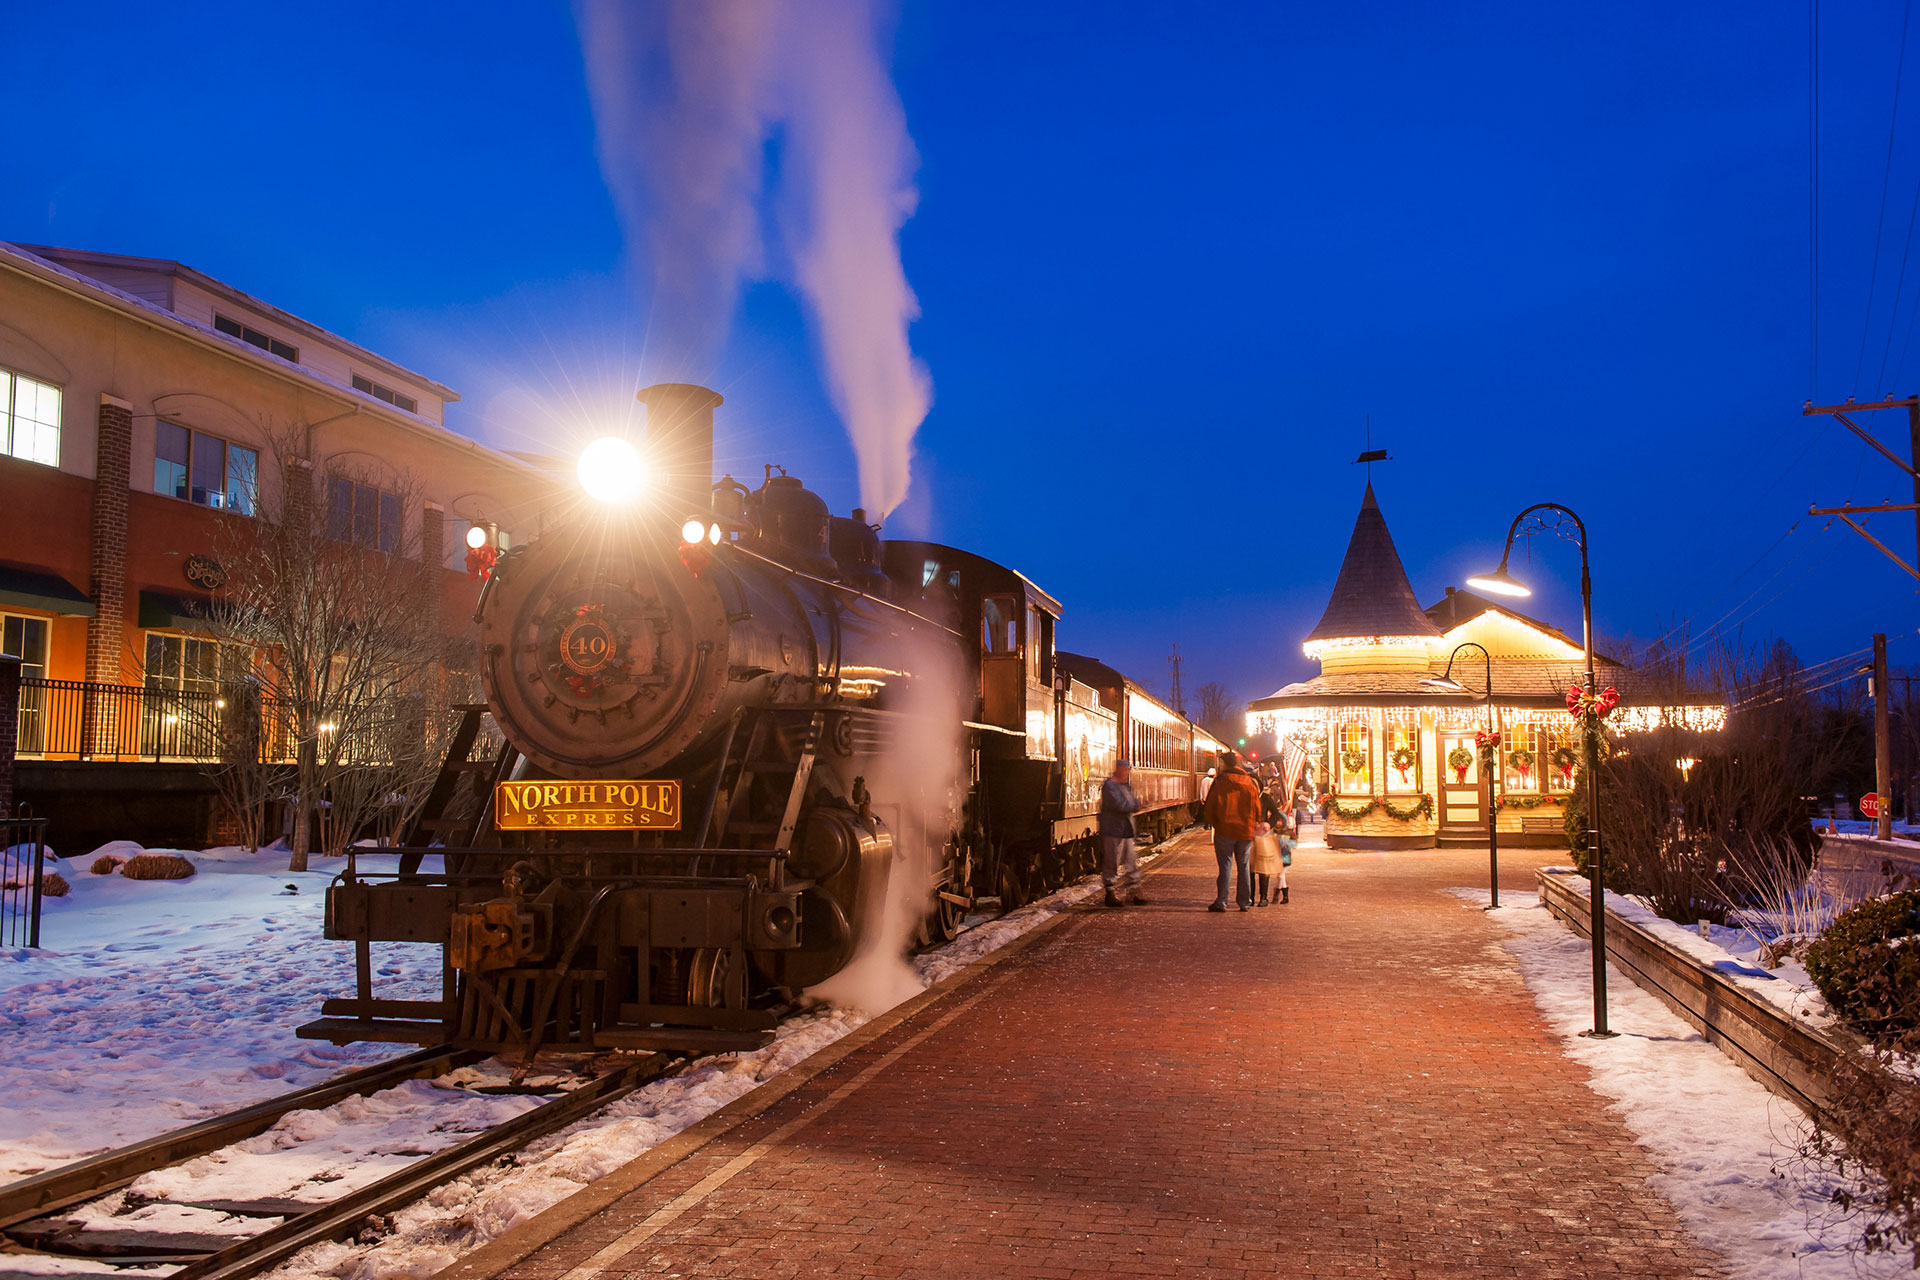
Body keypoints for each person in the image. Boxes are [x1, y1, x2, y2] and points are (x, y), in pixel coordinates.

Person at [1201, 749, 1262, 912]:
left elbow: (1210, 806)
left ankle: (1222, 901)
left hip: (1225, 830)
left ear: (1224, 764)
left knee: (1225, 866)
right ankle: (1244, 902)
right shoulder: (1249, 782)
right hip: (1245, 832)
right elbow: (1257, 807)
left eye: (1221, 763)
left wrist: (1216, 824)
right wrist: (1255, 823)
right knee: (1244, 867)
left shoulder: (1221, 781)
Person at [1098, 759, 1145, 908]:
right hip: (1113, 829)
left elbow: (1131, 803)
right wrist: (1134, 805)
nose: (1127, 773)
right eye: (1125, 770)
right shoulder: (1110, 786)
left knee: (1131, 860)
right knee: (1112, 861)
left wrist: (1134, 805)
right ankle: (1110, 892)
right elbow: (1119, 804)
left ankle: (1133, 891)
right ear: (1119, 769)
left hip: (1125, 829)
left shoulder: (1124, 785)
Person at [1254, 784, 1291, 905]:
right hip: (1248, 835)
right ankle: (1249, 898)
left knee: (1263, 867)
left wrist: (1268, 824)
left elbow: (1276, 814)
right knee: (1249, 868)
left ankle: (1263, 897)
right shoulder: (1244, 797)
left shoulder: (1265, 798)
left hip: (1263, 835)